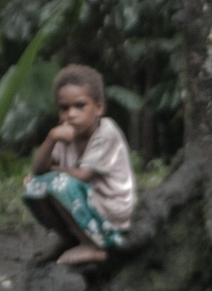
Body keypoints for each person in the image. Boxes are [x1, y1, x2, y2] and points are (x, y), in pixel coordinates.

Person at [23, 66, 136, 266]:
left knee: (58, 184)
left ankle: (95, 247)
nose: (71, 114)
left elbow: (83, 175)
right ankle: (68, 238)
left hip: (112, 210)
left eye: (80, 105)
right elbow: (38, 170)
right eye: (64, 108)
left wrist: (52, 172)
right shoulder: (64, 134)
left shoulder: (106, 133)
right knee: (33, 186)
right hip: (88, 204)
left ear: (99, 108)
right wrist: (51, 138)